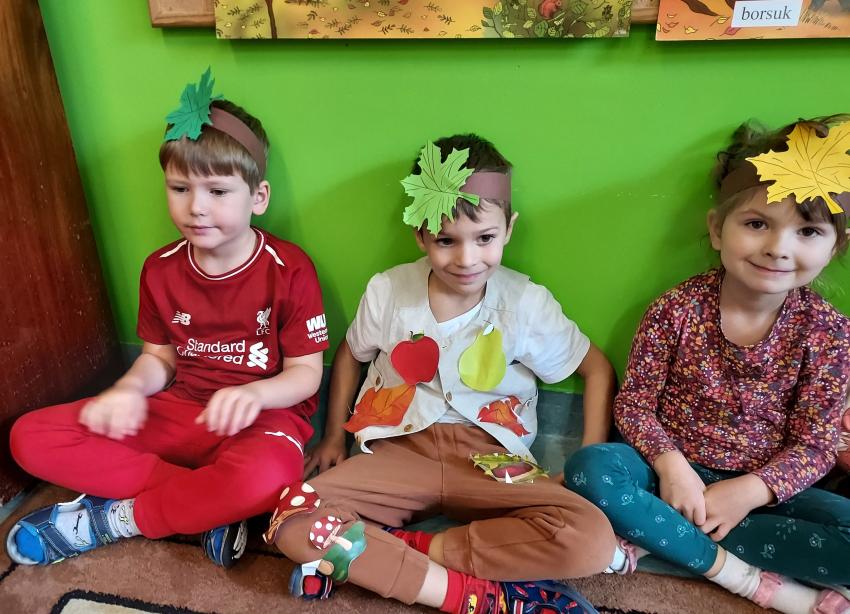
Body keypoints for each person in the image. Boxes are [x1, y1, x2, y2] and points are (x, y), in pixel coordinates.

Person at [269, 135, 620, 614]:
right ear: (420, 235)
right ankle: (473, 597)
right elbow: (351, 354)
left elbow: (596, 368)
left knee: (593, 540)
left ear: (509, 229)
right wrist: (333, 437)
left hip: (490, 459)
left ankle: (404, 550)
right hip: (399, 450)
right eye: (446, 241)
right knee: (290, 517)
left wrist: (581, 465)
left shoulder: (525, 302)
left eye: (485, 239)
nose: (467, 259)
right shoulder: (389, 290)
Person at [6, 69, 329, 569]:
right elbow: (159, 359)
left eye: (217, 191)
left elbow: (306, 375)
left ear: (258, 197)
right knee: (29, 437)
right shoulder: (160, 268)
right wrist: (128, 391)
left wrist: (253, 395)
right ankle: (208, 505)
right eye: (180, 188)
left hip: (262, 419)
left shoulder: (290, 268)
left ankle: (118, 519)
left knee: (266, 479)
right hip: (182, 411)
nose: (196, 207)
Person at [564, 115, 850, 614]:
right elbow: (634, 405)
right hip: (664, 476)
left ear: (835, 246)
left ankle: (660, 535)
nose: (778, 248)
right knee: (590, 469)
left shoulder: (828, 333)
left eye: (808, 231)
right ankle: (745, 579)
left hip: (763, 493)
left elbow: (817, 443)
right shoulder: (676, 309)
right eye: (757, 224)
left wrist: (749, 492)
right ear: (718, 229)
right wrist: (671, 466)